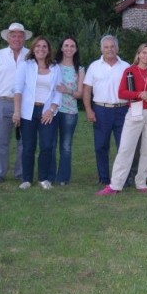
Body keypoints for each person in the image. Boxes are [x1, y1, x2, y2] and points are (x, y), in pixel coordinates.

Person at [96, 43, 147, 195]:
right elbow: (122, 93)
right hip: (135, 110)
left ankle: (141, 182)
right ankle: (115, 185)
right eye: (144, 53)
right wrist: (141, 94)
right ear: (138, 54)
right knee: (126, 148)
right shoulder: (130, 71)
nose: (146, 56)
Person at [0, 23, 31, 184]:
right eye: (14, 35)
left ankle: (22, 173)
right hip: (2, 102)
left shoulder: (31, 55)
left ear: (24, 38)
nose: (17, 38)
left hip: (25, 103)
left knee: (25, 142)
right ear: (8, 38)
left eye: (20, 35)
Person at [12, 36, 61, 189]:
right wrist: (17, 111)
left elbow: (58, 91)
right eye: (38, 46)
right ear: (33, 49)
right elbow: (18, 89)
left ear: (48, 50)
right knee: (28, 147)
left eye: (44, 46)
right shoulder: (25, 65)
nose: (41, 49)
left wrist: (51, 110)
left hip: (47, 111)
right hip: (28, 111)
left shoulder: (55, 67)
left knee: (47, 146)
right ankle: (26, 179)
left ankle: (43, 178)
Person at [83, 35, 130, 185]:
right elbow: (86, 90)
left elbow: (132, 90)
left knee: (124, 146)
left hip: (122, 110)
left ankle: (123, 178)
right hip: (101, 110)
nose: (109, 49)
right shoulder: (94, 66)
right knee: (101, 146)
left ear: (117, 48)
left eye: (112, 46)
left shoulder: (126, 66)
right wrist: (89, 110)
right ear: (101, 49)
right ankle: (103, 178)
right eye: (106, 47)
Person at [52, 36, 85, 185]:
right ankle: (49, 175)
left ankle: (63, 178)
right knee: (50, 144)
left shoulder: (79, 69)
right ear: (61, 48)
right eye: (66, 45)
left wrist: (67, 90)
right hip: (52, 110)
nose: (69, 48)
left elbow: (80, 94)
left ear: (76, 49)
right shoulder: (53, 66)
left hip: (70, 112)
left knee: (65, 146)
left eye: (72, 46)